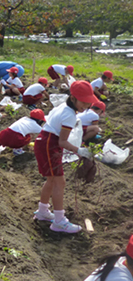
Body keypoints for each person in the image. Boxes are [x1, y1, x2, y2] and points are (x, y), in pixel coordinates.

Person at [33, 81, 97, 233]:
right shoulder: (69, 114)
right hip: (49, 144)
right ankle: (59, 221)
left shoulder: (64, 106)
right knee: (59, 182)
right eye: (84, 102)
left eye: (89, 103)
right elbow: (62, 141)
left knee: (52, 180)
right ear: (73, 98)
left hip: (45, 141)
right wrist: (79, 151)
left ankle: (42, 211)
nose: (86, 106)